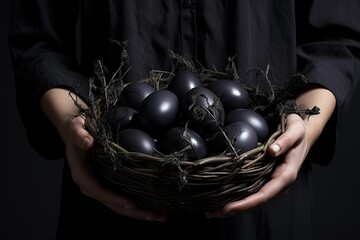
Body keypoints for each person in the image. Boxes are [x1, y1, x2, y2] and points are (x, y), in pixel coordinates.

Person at [8, 0, 360, 239]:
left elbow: (335, 39)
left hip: (261, 202)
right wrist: (74, 123)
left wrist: (303, 128)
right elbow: (38, 41)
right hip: (113, 194)